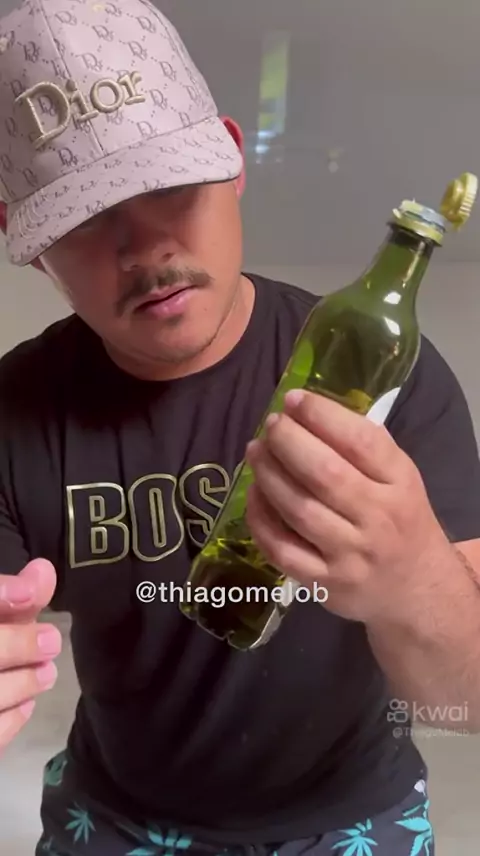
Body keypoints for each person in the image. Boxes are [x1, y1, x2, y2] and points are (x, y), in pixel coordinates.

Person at [0, 0, 479, 854]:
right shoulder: (13, 415)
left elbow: (467, 703)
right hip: (114, 816)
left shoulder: (382, 377)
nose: (144, 248)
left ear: (230, 159)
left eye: (168, 186)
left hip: (352, 816)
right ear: (27, 240)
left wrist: (412, 581)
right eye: (86, 214)